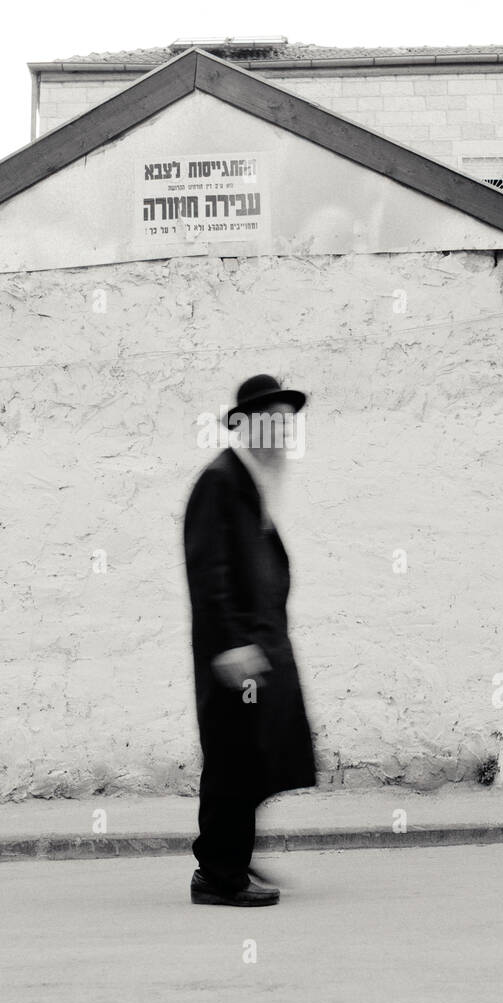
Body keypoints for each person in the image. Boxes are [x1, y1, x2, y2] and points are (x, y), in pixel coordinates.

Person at [182, 374, 317, 906]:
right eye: (272, 419)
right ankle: (218, 875)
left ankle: (229, 854)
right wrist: (232, 644)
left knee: (258, 754)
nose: (282, 430)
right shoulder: (221, 479)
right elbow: (208, 570)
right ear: (244, 425)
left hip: (255, 650)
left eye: (287, 421)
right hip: (234, 655)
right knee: (236, 757)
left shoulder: (251, 479)